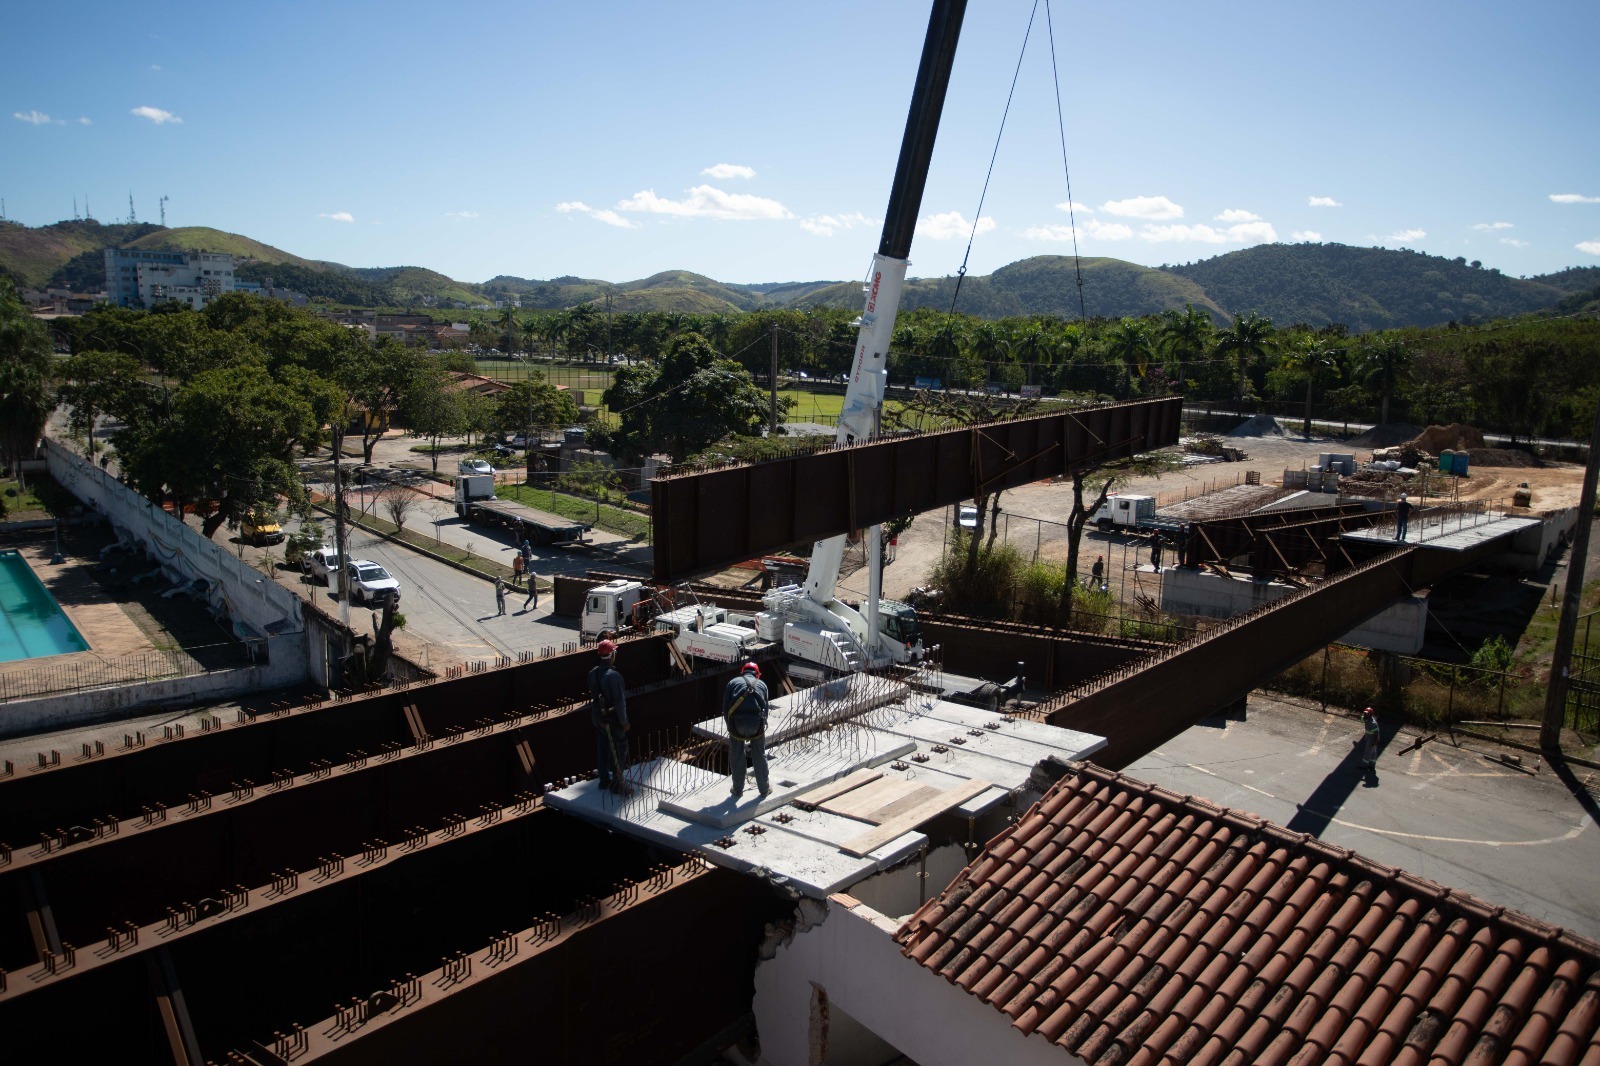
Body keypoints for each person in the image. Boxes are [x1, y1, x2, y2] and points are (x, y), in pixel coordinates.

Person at [724, 662, 770, 799]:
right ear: (757, 673)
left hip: (737, 724)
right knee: (759, 755)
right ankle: (764, 789)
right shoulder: (762, 684)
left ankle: (738, 789)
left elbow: (726, 709)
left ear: (743, 672)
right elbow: (765, 710)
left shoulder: (732, 683)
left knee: (737, 756)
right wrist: (761, 726)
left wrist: (730, 727)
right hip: (756, 725)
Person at [589, 640, 629, 792]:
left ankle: (604, 781)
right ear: (612, 655)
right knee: (619, 749)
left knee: (602, 748)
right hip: (611, 718)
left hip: (598, 717)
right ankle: (617, 784)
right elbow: (620, 702)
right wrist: (624, 722)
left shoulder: (593, 673)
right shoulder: (614, 676)